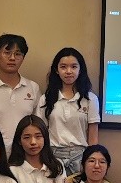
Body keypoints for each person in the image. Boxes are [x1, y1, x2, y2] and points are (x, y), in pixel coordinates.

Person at [39, 47, 101, 176]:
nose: (68, 71)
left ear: (80, 69)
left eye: (74, 67)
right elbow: (41, 133)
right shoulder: (46, 99)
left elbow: (93, 138)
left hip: (80, 157)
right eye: (63, 67)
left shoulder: (90, 99)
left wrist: (89, 161)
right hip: (53, 157)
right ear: (56, 70)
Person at [0, 34, 41, 142]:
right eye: (7, 53)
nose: (12, 58)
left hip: (24, 149)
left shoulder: (33, 87)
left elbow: (38, 124)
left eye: (18, 54)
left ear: (23, 58)